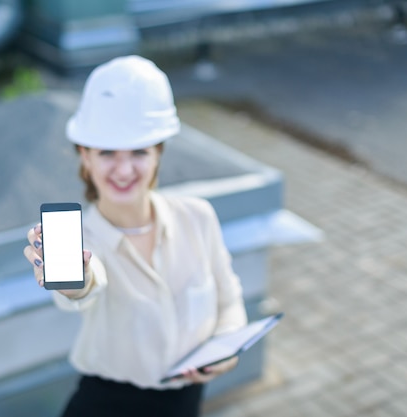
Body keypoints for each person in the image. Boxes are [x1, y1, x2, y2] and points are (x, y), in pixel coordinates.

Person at [23, 55, 247, 417]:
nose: (124, 169)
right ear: (85, 156)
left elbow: (229, 302)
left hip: (186, 402)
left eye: (139, 152)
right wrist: (73, 282)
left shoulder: (198, 217)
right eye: (107, 153)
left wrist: (226, 350)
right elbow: (85, 287)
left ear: (158, 152)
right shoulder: (85, 244)